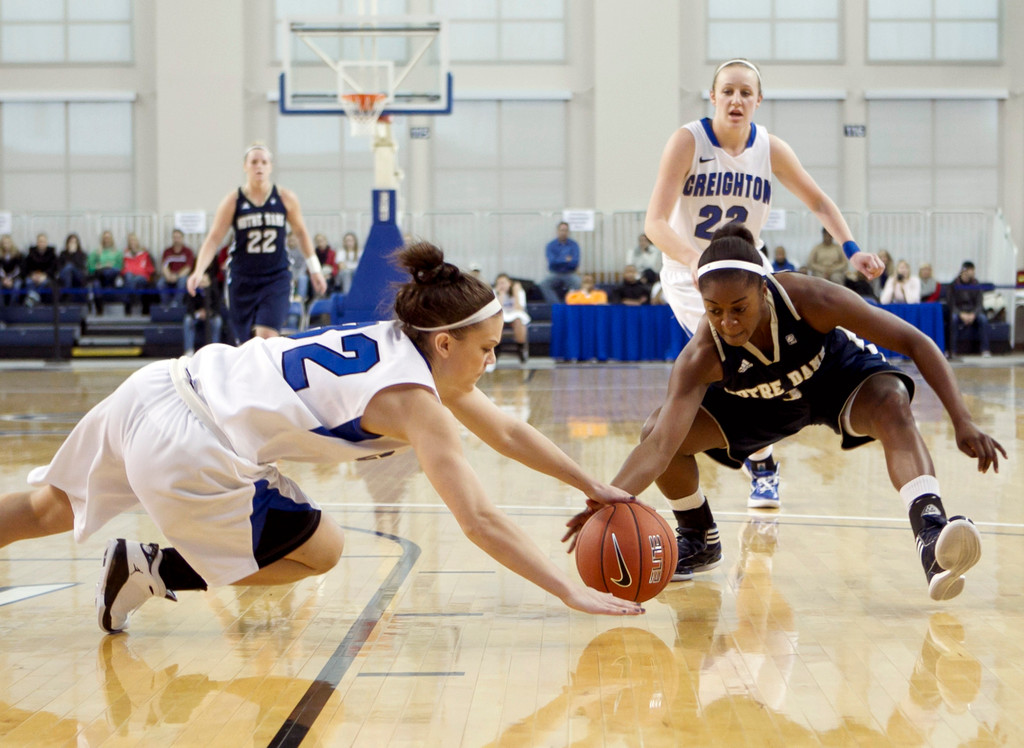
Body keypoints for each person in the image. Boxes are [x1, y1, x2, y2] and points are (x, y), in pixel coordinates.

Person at [0, 241, 642, 635]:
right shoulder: (415, 403)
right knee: (323, 548)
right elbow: (477, 519)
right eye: (487, 350)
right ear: (445, 344)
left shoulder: (402, 339)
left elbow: (505, 428)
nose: (490, 364)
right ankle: (148, 568)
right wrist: (567, 590)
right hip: (193, 448)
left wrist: (589, 482)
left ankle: (140, 566)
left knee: (48, 508)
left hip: (162, 385)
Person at [564, 224, 1005, 598]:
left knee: (892, 400)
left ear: (764, 287)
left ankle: (930, 535)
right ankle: (699, 536)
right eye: (715, 311)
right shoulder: (703, 354)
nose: (729, 322)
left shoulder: (809, 297)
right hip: (757, 407)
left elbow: (916, 341)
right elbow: (660, 447)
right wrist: (603, 499)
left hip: (833, 379)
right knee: (657, 429)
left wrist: (962, 420)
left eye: (739, 308)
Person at [643, 58, 883, 510]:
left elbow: (817, 199)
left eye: (745, 92)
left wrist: (852, 249)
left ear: (758, 100)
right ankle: (764, 465)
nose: (736, 100)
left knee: (790, 352)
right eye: (727, 91)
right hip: (689, 273)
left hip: (750, 272)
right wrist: (699, 261)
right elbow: (655, 223)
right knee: (738, 363)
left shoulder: (768, 147)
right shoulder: (687, 141)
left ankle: (835, 401)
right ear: (713, 97)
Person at [187, 143, 327, 344]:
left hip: (275, 277)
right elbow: (214, 238)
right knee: (245, 344)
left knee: (267, 338)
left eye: (264, 162)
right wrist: (198, 270)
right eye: (254, 162)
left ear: (270, 166)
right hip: (242, 279)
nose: (259, 166)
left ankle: (269, 375)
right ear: (245, 166)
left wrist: (315, 270)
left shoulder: (285, 198)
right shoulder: (233, 200)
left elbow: (302, 234)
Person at [947, 261, 992, 358]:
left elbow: (980, 303)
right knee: (953, 318)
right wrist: (960, 314)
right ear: (964, 270)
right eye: (970, 270)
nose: (972, 272)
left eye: (973, 270)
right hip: (959, 312)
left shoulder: (976, 284)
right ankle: (952, 351)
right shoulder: (954, 284)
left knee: (983, 319)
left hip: (973, 312)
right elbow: (950, 302)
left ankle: (985, 349)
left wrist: (973, 314)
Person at [182, 264, 223, 356]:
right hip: (196, 315)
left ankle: (214, 349)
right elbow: (189, 307)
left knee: (218, 321)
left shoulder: (213, 291)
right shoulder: (192, 290)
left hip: (211, 315)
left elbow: (217, 307)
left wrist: (210, 313)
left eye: (205, 282)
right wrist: (197, 314)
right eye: (201, 282)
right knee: (188, 320)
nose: (203, 284)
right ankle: (189, 350)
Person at [539, 221, 582, 304]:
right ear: (557, 231)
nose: (563, 232)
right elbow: (551, 262)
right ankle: (556, 305)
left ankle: (570, 304)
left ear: (568, 232)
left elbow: (575, 262)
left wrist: (558, 259)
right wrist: (566, 259)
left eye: (565, 230)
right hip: (555, 273)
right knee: (543, 284)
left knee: (578, 283)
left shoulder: (574, 245)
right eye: (561, 230)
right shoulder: (551, 245)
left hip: (570, 273)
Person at [494, 272, 530, 363]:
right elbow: (496, 310)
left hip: (515, 314)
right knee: (497, 321)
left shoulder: (519, 292)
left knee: (519, 320)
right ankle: (496, 347)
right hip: (501, 315)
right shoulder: (494, 292)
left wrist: (516, 293)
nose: (502, 285)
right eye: (499, 283)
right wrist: (501, 295)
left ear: (509, 283)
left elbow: (519, 309)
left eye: (504, 283)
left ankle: (520, 347)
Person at [88, 230, 123, 314]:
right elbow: (90, 268)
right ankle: (99, 310)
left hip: (113, 278)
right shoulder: (96, 252)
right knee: (96, 283)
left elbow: (120, 267)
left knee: (110, 271)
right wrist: (101, 266)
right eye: (105, 238)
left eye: (108, 237)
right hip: (100, 277)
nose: (107, 239)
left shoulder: (117, 252)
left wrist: (110, 266)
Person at [121, 232, 156, 315]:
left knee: (136, 279)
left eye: (134, 240)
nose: (132, 242)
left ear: (137, 241)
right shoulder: (125, 255)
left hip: (142, 276)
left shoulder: (145, 254)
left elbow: (150, 269)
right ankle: (133, 300)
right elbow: (123, 269)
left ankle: (129, 302)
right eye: (130, 240)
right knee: (129, 277)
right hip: (130, 276)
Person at [158, 229, 195, 306]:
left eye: (178, 237)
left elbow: (188, 267)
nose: (176, 239)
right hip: (170, 274)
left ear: (182, 238)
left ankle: (176, 303)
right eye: (174, 237)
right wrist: (168, 275)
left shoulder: (188, 251)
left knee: (182, 281)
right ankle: (166, 304)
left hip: (182, 275)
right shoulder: (167, 251)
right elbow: (164, 266)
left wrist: (177, 276)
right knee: (160, 283)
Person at [22, 232, 58, 307]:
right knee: (28, 281)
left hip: (46, 277)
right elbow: (26, 267)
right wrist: (32, 275)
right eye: (40, 241)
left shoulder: (52, 254)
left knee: (45, 283)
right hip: (33, 276)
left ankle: (33, 299)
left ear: (46, 243)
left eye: (43, 241)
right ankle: (34, 299)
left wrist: (44, 275)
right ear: (37, 242)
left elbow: (54, 268)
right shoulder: (31, 253)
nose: (41, 243)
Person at [57, 233, 89, 303]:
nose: (72, 244)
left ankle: (66, 292)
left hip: (78, 276)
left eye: (74, 242)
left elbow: (81, 266)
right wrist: (69, 255)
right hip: (65, 276)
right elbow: (59, 267)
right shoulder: (63, 254)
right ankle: (67, 290)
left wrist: (73, 254)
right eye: (71, 242)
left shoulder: (82, 254)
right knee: (68, 267)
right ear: (67, 243)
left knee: (69, 266)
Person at [0, 234, 23, 306]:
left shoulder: (17, 254)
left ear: (11, 243)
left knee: (17, 284)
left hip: (14, 277)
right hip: (2, 278)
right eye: (4, 243)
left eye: (8, 243)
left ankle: (12, 306)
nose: (6, 245)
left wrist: (11, 279)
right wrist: (3, 279)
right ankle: (2, 307)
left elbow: (18, 269)